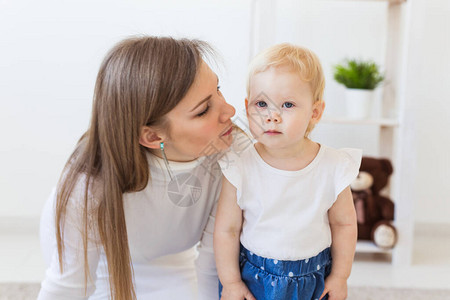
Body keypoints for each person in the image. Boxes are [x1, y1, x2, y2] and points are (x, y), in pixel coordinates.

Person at [38, 36, 240, 300]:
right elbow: (68, 288)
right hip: (103, 260)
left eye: (219, 89)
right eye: (203, 111)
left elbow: (212, 267)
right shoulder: (88, 186)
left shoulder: (230, 153)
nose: (230, 110)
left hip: (170, 254)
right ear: (153, 137)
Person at [214, 43, 362, 300]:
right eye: (261, 103)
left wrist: (340, 276)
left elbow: (344, 224)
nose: (272, 116)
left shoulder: (333, 166)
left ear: (315, 112)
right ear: (247, 106)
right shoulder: (240, 165)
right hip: (253, 277)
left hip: (313, 277)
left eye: (288, 105)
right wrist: (231, 283)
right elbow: (227, 230)